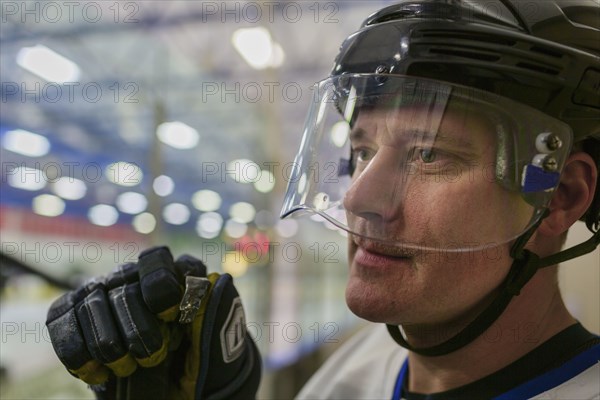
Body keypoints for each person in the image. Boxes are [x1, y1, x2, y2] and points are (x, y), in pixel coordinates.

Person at [47, 0, 599, 399]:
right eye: (361, 152)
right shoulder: (362, 367)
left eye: (428, 154)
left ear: (559, 197)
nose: (359, 196)